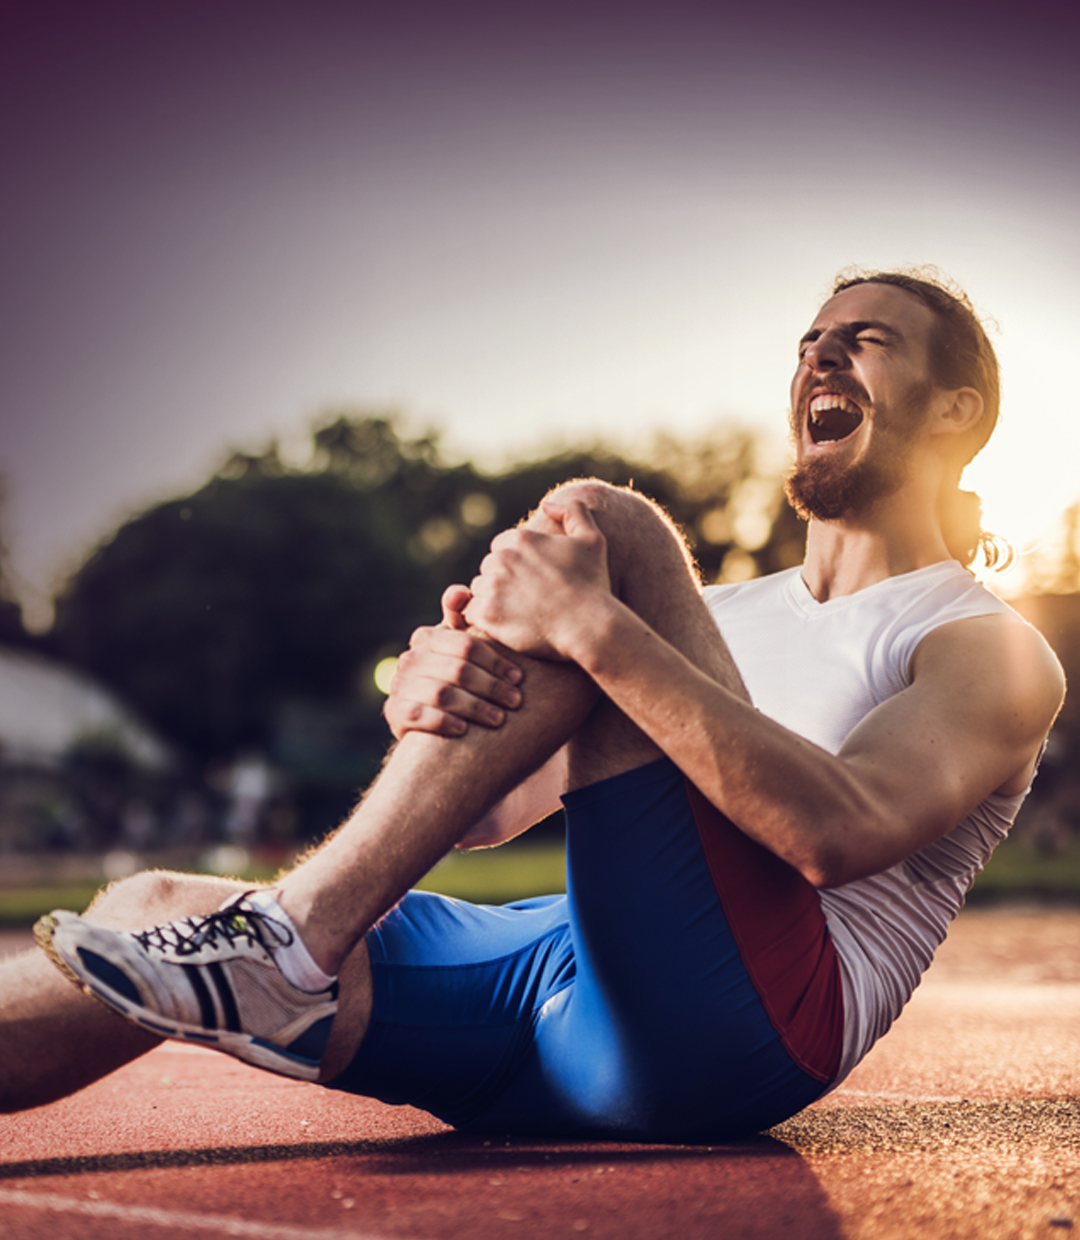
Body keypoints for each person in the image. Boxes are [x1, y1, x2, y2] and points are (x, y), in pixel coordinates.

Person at [9, 270, 1064, 1142]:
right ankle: (276, 946)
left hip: (742, 1026)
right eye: (810, 341)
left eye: (865, 340)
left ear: (955, 408)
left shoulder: (987, 646)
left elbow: (840, 832)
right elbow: (484, 818)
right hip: (554, 976)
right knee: (151, 910)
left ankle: (286, 943)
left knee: (604, 526)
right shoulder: (716, 615)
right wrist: (438, 706)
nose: (820, 358)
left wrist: (596, 627)